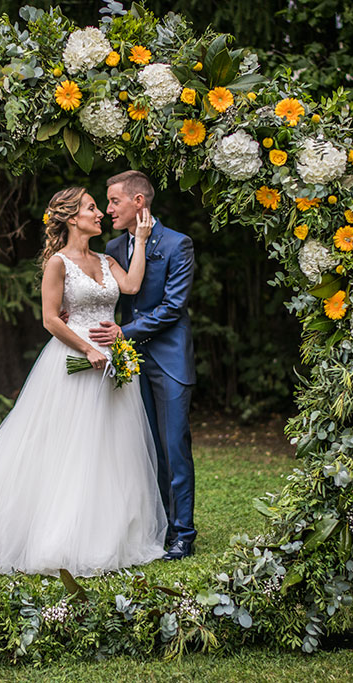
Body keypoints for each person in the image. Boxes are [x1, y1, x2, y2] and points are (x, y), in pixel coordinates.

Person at [0, 186, 167, 576]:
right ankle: (57, 535)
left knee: (109, 450)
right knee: (69, 450)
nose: (99, 213)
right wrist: (86, 349)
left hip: (111, 365)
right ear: (72, 218)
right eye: (91, 208)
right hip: (74, 364)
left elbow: (132, 286)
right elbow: (50, 319)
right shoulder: (58, 264)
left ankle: (107, 533)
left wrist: (140, 240)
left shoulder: (105, 260)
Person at [90, 170, 197, 560]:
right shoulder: (115, 247)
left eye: (114, 201)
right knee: (141, 449)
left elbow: (172, 307)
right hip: (128, 363)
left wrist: (125, 332)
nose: (107, 209)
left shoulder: (177, 244)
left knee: (172, 449)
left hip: (167, 360)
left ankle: (183, 533)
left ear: (139, 202)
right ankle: (155, 528)